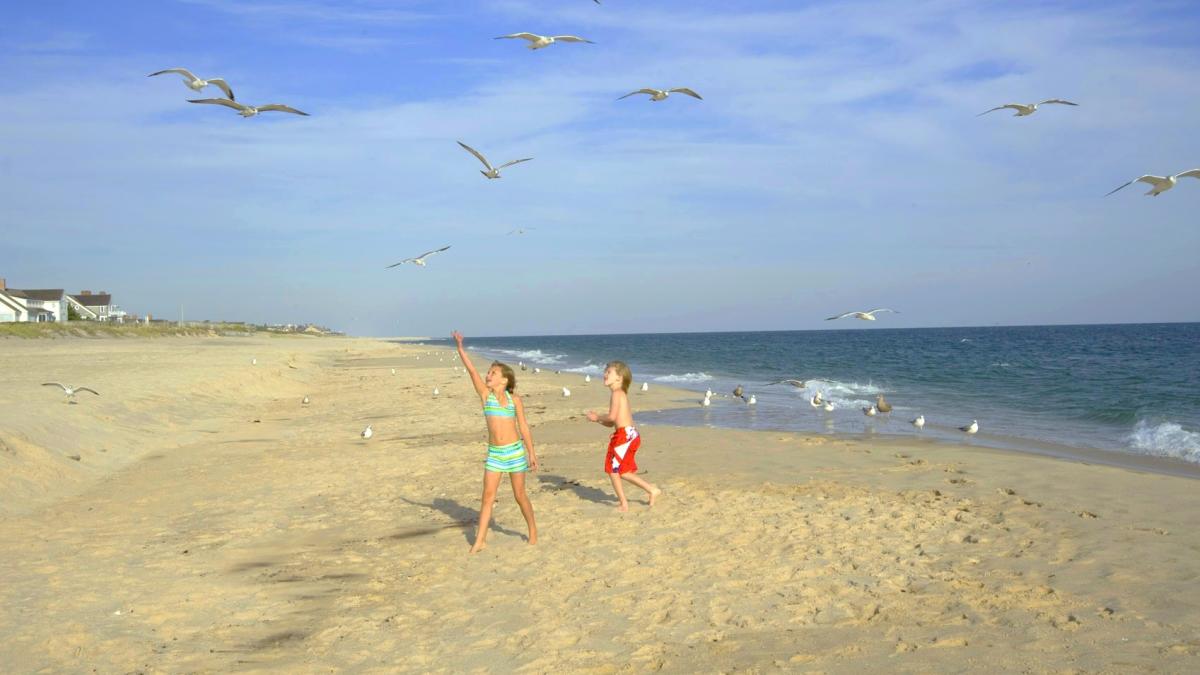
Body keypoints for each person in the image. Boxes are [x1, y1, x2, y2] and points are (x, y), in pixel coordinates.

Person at [452, 331, 538, 553]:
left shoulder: (514, 400)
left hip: (515, 453)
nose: (488, 375)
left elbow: (524, 427)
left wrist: (531, 452)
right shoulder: (485, 396)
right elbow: (472, 371)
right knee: (487, 497)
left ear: (504, 380)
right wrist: (460, 348)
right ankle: (479, 540)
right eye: (488, 372)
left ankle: (532, 530)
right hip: (495, 455)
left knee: (520, 496)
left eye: (493, 373)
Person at [587, 361, 662, 511]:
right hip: (628, 434)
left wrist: (597, 417)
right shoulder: (619, 393)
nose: (605, 374)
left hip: (625, 436)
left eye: (609, 372)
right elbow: (611, 423)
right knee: (622, 471)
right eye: (605, 371)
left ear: (619, 377)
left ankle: (624, 504)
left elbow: (612, 417)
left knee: (613, 470)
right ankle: (652, 490)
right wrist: (598, 421)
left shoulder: (617, 393)